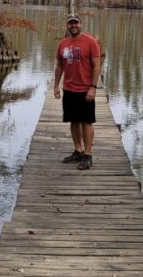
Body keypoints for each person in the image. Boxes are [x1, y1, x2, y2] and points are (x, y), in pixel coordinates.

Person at [53, 13, 102, 170]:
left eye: (76, 23)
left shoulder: (90, 41)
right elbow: (60, 65)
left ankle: (88, 155)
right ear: (67, 26)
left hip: (85, 89)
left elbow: (96, 65)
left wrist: (93, 87)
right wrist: (56, 86)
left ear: (81, 24)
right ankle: (78, 151)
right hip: (69, 89)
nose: (73, 25)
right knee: (73, 121)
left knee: (86, 122)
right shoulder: (63, 44)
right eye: (70, 23)